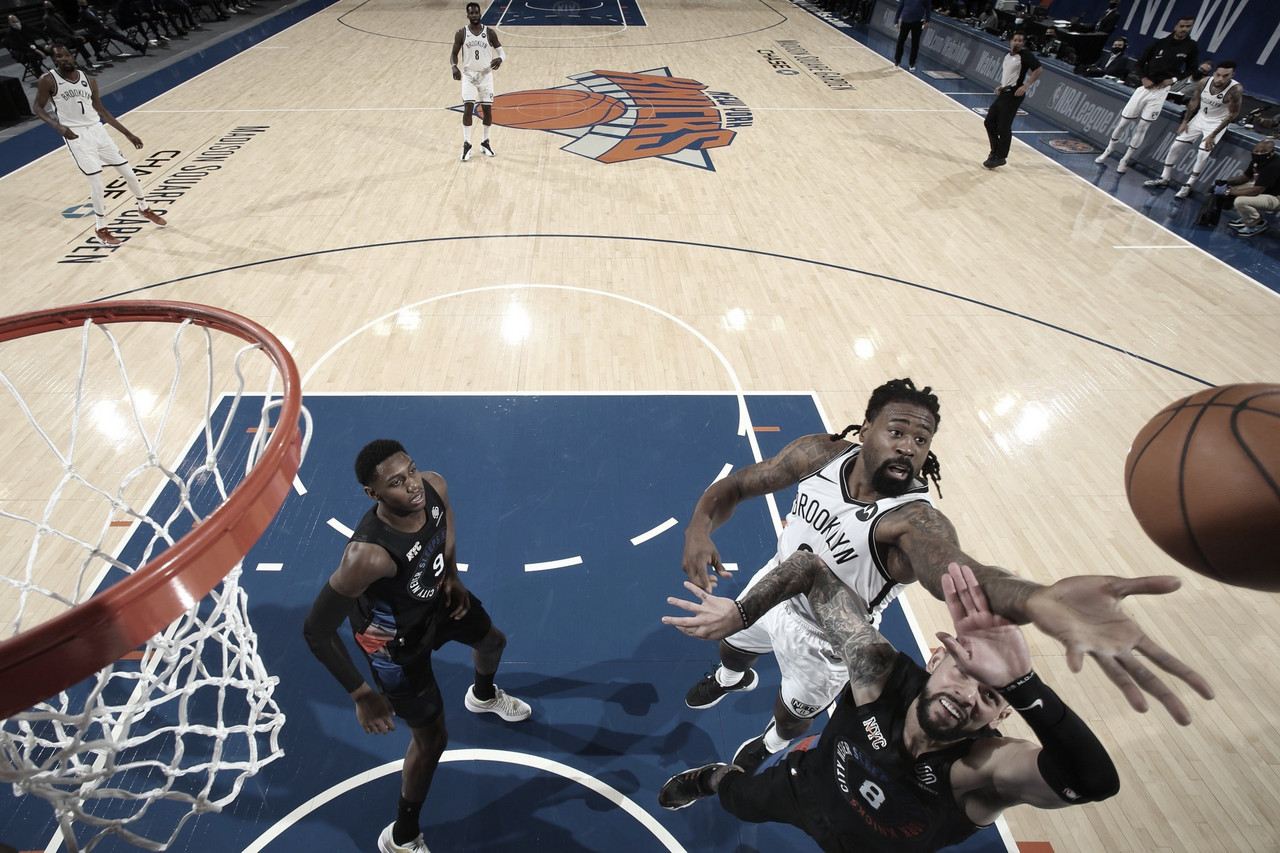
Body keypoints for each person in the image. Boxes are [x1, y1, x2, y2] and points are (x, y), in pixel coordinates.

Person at [678, 378, 1211, 774]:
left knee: (792, 716)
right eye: (898, 431)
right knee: (731, 646)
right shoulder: (818, 454)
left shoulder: (914, 521)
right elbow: (738, 486)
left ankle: (771, 742)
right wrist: (699, 529)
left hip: (828, 638)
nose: (910, 446)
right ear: (865, 431)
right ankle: (733, 677)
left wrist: (1037, 599)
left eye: (922, 439)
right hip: (774, 586)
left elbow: (960, 571)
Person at [660, 559, 1126, 852]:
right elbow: (809, 569)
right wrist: (741, 614)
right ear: (936, 656)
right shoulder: (880, 674)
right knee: (737, 799)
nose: (967, 696)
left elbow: (1093, 783)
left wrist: (1025, 684)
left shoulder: (982, 769)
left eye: (991, 695)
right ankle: (710, 776)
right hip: (804, 790)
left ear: (1004, 714)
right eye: (964, 672)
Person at [302, 439, 531, 853]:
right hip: (393, 643)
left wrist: (454, 576)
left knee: (493, 641)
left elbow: (443, 527)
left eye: (410, 470)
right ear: (373, 494)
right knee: (432, 740)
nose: (411, 485)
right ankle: (402, 836)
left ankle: (482, 696)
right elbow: (316, 630)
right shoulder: (366, 556)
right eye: (396, 482)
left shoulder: (434, 486)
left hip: (435, 599)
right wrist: (361, 694)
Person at [33, 44, 167, 248]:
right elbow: (37, 107)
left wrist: (127, 133)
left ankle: (144, 208)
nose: (65, 58)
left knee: (129, 173)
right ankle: (100, 228)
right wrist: (57, 126)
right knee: (96, 182)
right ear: (54, 60)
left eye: (68, 54)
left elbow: (102, 110)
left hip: (98, 131)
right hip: (76, 136)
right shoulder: (48, 80)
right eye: (60, 56)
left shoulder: (89, 79)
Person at [1095, 16, 1199, 174]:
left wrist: (1173, 79)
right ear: (1176, 26)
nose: (1184, 29)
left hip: (1161, 91)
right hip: (1144, 88)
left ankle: (1125, 159)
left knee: (1143, 127)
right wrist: (1143, 78)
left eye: (1188, 26)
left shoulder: (1191, 47)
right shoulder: (1159, 43)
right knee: (1123, 123)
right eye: (1182, 26)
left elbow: (1192, 69)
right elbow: (1139, 63)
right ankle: (1108, 150)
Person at [1143, 60, 1241, 199]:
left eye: (1226, 76)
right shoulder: (1204, 82)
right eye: (1218, 75)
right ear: (1214, 73)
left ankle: (1188, 185)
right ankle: (1164, 177)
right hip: (1200, 117)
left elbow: (1233, 114)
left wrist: (1213, 134)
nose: (1220, 79)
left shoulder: (1235, 90)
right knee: (1176, 145)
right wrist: (1185, 122)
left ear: (1232, 75)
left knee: (1202, 154)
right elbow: (1194, 101)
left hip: (1216, 122)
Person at [450, 2, 504, 162]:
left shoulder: (489, 33)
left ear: (480, 14)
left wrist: (500, 58)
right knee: (468, 109)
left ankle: (485, 142)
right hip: (469, 76)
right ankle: (467, 144)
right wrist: (454, 67)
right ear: (467, 15)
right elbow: (453, 53)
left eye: (476, 13)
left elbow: (502, 52)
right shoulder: (461, 33)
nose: (474, 15)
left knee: (487, 111)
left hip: (486, 76)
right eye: (471, 13)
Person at [983, 31, 1041, 169]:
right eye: (1015, 40)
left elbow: (1038, 69)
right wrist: (1002, 86)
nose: (1017, 42)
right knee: (989, 122)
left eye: (1020, 40)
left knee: (1003, 126)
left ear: (1023, 43)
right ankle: (994, 152)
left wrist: (1026, 85)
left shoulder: (1025, 55)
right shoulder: (1007, 56)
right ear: (1010, 41)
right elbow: (1010, 74)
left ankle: (1000, 157)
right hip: (1005, 92)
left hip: (1014, 94)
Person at [1219, 139, 1280, 237]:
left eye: (1263, 152)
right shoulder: (1257, 161)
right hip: (1267, 190)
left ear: (1272, 153)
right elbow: (1246, 177)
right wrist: (1227, 183)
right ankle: (1247, 217)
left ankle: (1256, 223)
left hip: (1276, 197)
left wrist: (1228, 191)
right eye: (1256, 151)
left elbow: (1257, 190)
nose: (1259, 154)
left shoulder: (1274, 165)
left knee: (1240, 201)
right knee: (1235, 188)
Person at [41, 0, 109, 69]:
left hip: (71, 36)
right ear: (44, 7)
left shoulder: (57, 14)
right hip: (63, 39)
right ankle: (88, 62)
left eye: (51, 5)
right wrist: (74, 37)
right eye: (48, 6)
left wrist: (76, 35)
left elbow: (68, 27)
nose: (50, 7)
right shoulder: (46, 18)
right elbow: (58, 32)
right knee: (78, 40)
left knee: (90, 36)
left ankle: (98, 55)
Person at [76, 0, 146, 57]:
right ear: (79, 3)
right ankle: (138, 47)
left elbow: (103, 18)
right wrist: (102, 24)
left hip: (104, 28)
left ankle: (138, 47)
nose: (84, 1)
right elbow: (94, 21)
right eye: (81, 1)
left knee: (118, 35)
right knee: (117, 36)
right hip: (97, 32)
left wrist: (102, 22)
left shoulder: (91, 9)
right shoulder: (82, 12)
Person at [4, 13, 51, 81]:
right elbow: (20, 47)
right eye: (13, 22)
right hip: (22, 51)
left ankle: (58, 68)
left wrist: (48, 42)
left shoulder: (24, 26)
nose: (16, 23)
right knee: (31, 56)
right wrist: (37, 51)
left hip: (33, 47)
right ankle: (40, 75)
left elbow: (38, 31)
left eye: (17, 21)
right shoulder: (10, 33)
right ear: (9, 23)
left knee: (51, 49)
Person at [893, 0, 930, 72]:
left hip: (918, 22)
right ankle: (897, 61)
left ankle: (912, 63)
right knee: (901, 41)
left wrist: (927, 20)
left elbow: (928, 7)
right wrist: (896, 20)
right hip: (906, 20)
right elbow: (900, 6)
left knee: (915, 43)